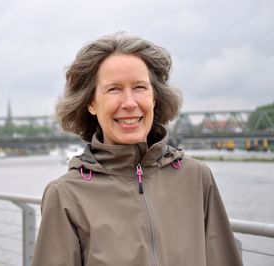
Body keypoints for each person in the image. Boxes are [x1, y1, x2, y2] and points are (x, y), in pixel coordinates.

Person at [31, 33, 242, 266]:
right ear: (90, 103)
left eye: (140, 87)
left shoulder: (197, 178)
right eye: (114, 89)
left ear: (154, 98)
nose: (129, 103)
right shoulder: (65, 196)